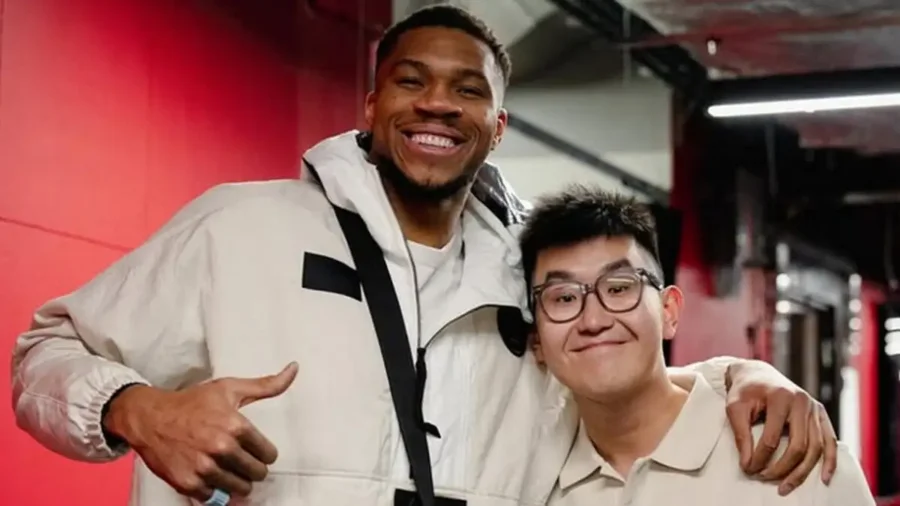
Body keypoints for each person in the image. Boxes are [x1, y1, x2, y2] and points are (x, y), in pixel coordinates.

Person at [11, 5, 837, 506]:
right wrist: (137, 409)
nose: (439, 102)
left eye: (469, 89)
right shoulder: (239, 227)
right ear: (371, 106)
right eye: (412, 81)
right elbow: (44, 353)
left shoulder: (531, 273)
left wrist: (748, 375)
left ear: (498, 127)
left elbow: (617, 363)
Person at [520, 186, 873, 506]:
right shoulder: (528, 483)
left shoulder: (800, 465)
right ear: (537, 339)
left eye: (618, 288)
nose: (593, 320)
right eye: (563, 298)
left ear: (669, 311)